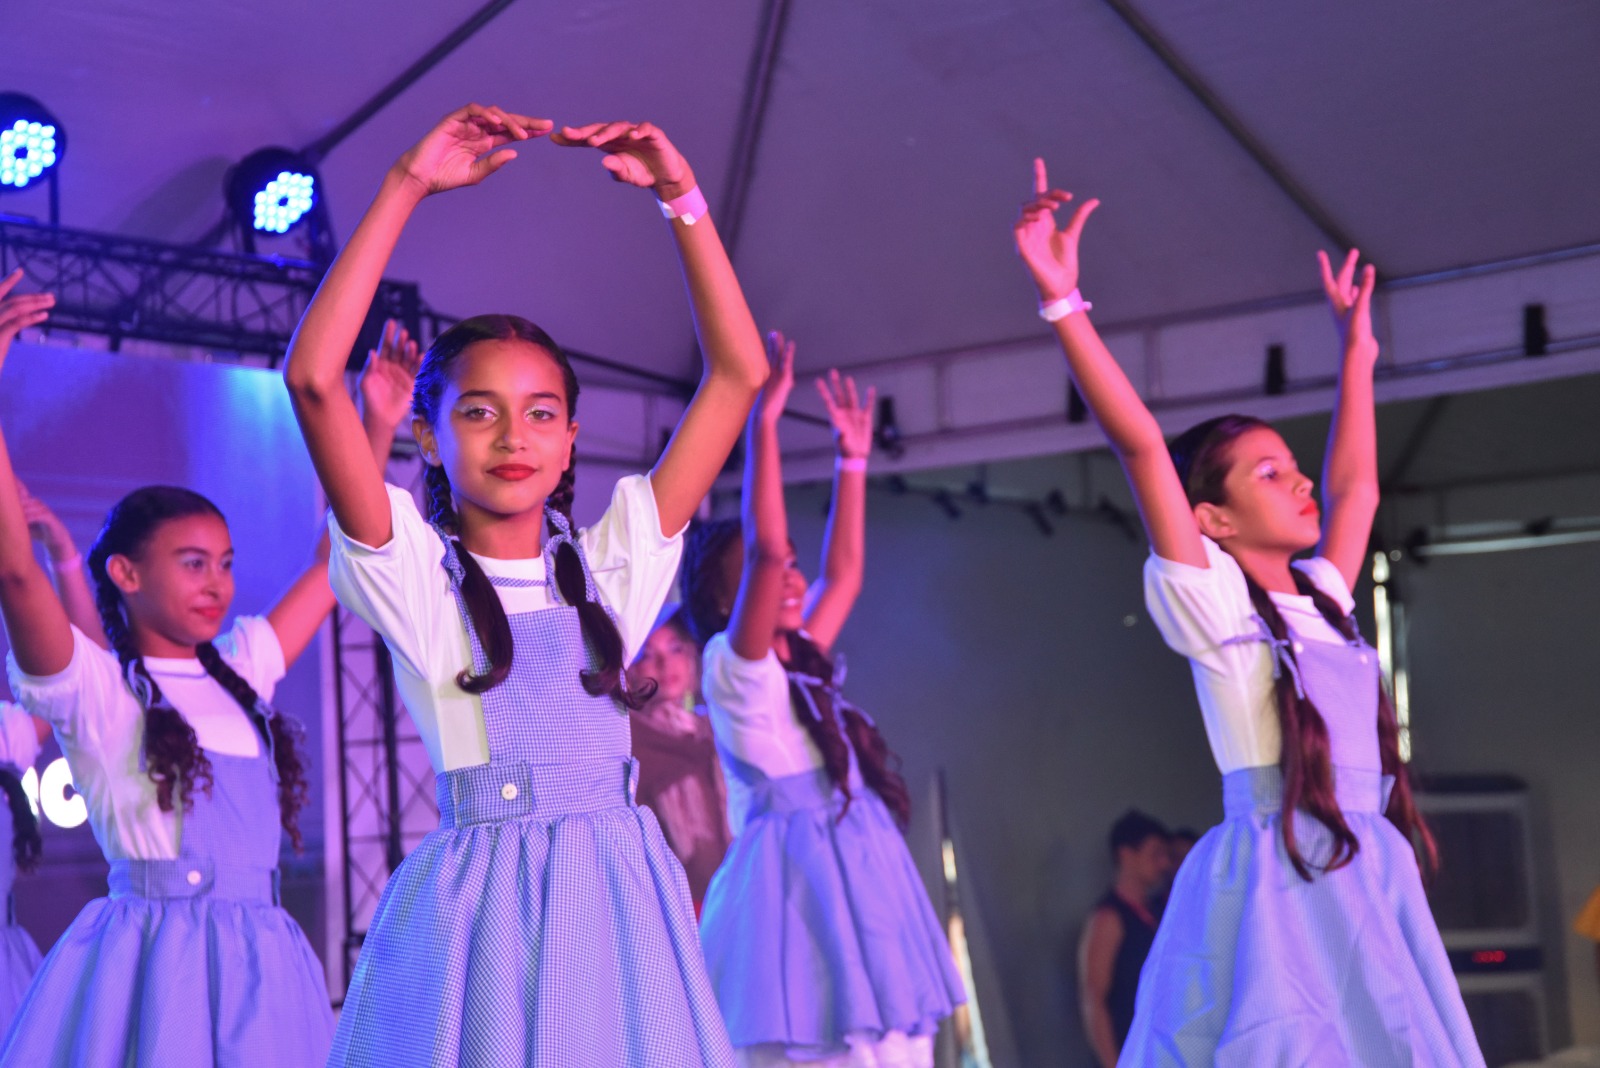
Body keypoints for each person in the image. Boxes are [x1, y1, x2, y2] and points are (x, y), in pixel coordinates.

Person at [283, 104, 766, 1066]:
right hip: (487, 925)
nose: (514, 438)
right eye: (480, 412)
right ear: (428, 433)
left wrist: (682, 196)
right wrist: (406, 183)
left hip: (624, 915)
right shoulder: (414, 573)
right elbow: (313, 381)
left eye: (541, 413)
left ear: (573, 438)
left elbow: (737, 375)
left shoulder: (610, 566)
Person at [1013, 160, 1483, 1065]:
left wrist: (1358, 351)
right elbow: (1144, 446)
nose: (1299, 478)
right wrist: (1065, 304)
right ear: (1212, 520)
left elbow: (1356, 486)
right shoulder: (1220, 613)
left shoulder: (1323, 600)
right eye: (1267, 474)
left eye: (1290, 463)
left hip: (1361, 865)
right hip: (1285, 882)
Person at [0, 268, 414, 1065]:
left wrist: (376, 420)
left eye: (223, 563)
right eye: (191, 563)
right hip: (158, 970)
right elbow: (15, 575)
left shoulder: (238, 667)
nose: (216, 583)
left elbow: (339, 560)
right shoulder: (97, 692)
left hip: (265, 971)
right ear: (125, 573)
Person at [681, 331, 966, 1068]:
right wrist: (764, 425)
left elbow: (845, 575)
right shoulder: (732, 668)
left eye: (789, 567)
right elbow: (770, 548)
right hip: (794, 874)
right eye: (757, 577)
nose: (788, 575)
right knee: (819, 1032)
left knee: (891, 1036)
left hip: (857, 854)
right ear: (724, 600)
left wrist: (853, 460)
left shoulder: (796, 652)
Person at [627, 605, 731, 913]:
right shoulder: (631, 744)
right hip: (681, 907)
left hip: (739, 893)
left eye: (675, 648)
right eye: (647, 653)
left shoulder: (716, 729)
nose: (664, 662)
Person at [1079, 810, 1173, 1067]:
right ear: (1126, 855)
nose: (1164, 863)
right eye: (1155, 854)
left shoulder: (1157, 911)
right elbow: (1094, 1000)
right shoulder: (1108, 919)